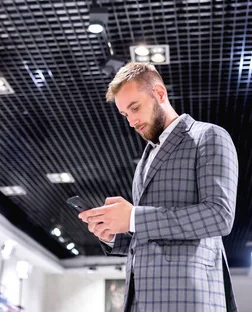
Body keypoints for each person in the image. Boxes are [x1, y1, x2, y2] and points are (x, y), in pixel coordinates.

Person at [79, 62, 239, 312]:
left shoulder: (208, 136)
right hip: (141, 300)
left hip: (190, 298)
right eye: (125, 115)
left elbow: (219, 216)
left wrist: (133, 218)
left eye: (135, 108)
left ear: (159, 93)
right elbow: (148, 235)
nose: (131, 121)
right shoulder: (145, 157)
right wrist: (114, 235)